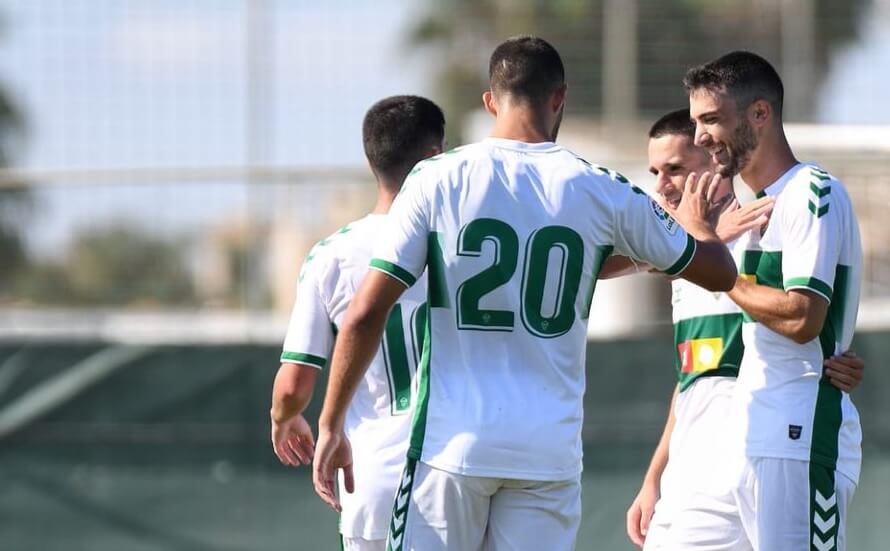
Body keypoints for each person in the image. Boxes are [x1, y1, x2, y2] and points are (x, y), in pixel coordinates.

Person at [311, 36, 737, 551]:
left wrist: (332, 423)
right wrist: (699, 228)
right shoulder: (598, 187)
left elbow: (363, 315)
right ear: (560, 97)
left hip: (452, 450)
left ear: (491, 102)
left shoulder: (437, 178)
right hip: (546, 454)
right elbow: (714, 272)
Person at [622, 109, 866, 550]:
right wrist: (654, 476)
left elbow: (804, 319)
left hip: (766, 454)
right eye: (655, 171)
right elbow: (693, 377)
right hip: (692, 477)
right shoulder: (681, 258)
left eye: (675, 169)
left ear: (717, 160)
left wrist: (836, 363)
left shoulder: (768, 228)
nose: (661, 185)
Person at [269, 95, 446, 551]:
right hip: (461, 474)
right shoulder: (465, 242)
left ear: (372, 161)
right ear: (435, 157)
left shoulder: (332, 255)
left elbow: (293, 385)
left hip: (373, 481)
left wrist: (284, 418)